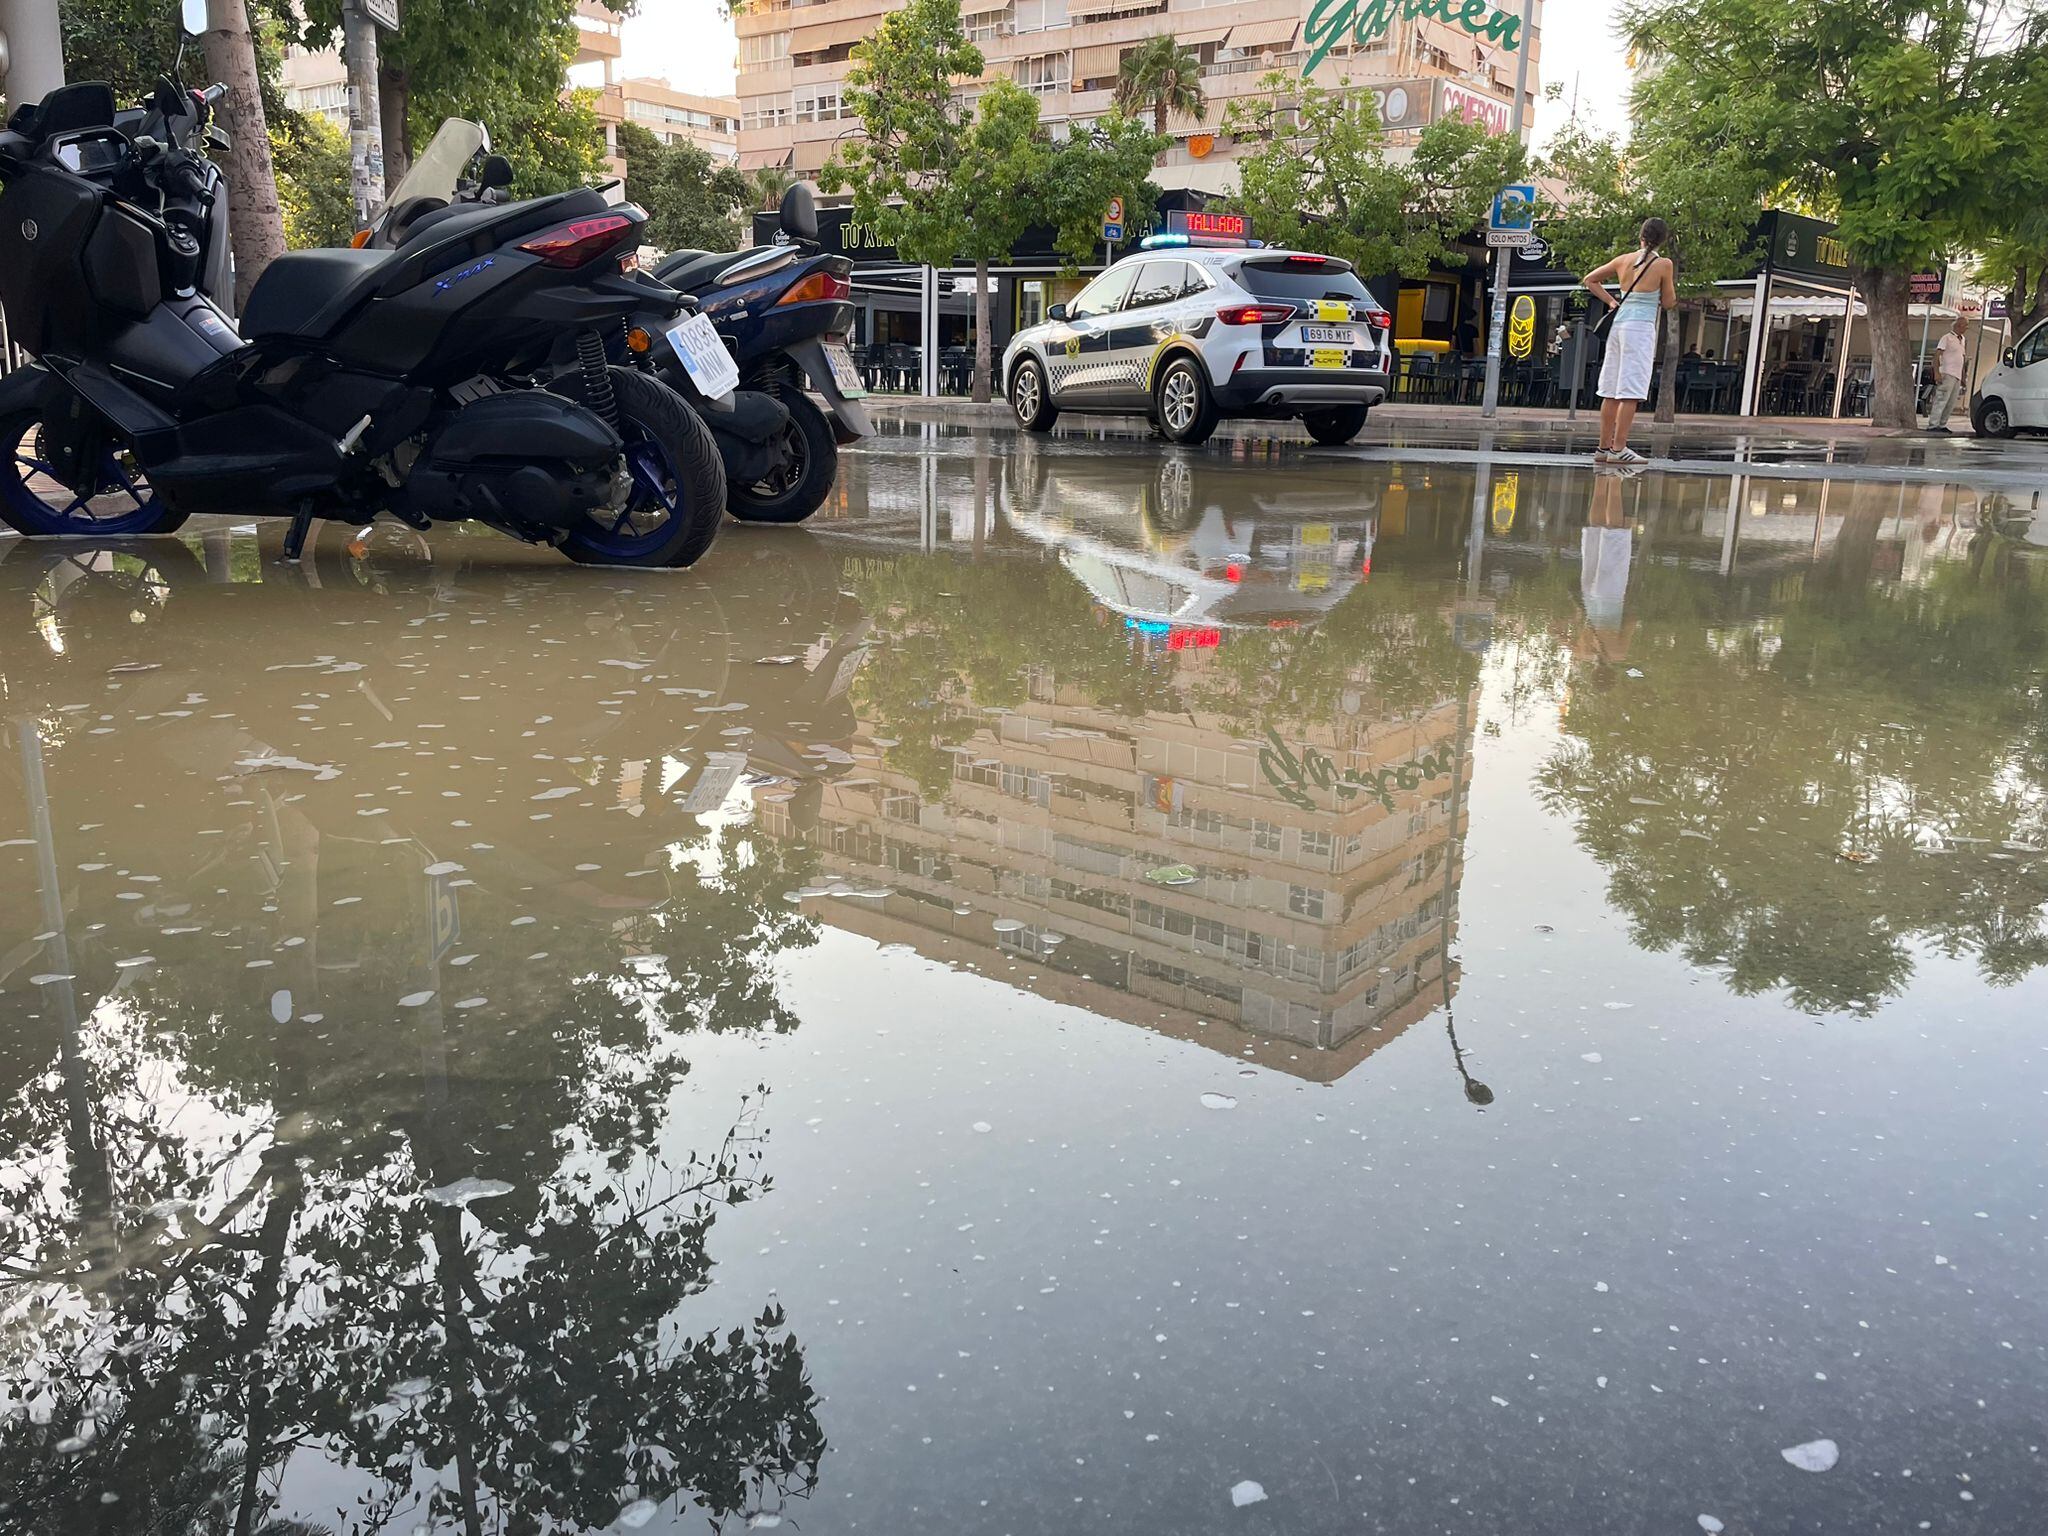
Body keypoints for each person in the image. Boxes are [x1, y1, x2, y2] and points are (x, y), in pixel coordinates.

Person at [1581, 218, 1677, 466]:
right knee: (1630, 391)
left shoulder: (1623, 260)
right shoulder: (1663, 264)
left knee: (1611, 390)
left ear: (1641, 236)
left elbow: (1590, 279)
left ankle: (1603, 447)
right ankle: (1619, 448)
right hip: (1640, 329)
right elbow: (1668, 302)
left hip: (1618, 327)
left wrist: (1612, 301)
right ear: (1663, 240)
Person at [1926, 316, 1968, 432]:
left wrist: (1964, 377)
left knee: (1951, 401)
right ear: (1958, 326)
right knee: (1942, 398)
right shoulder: (1947, 338)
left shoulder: (1962, 339)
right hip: (1947, 372)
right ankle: (1933, 424)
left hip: (1957, 375)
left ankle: (1942, 424)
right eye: (1965, 325)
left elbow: (1962, 359)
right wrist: (1937, 372)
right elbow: (1937, 355)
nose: (1966, 328)